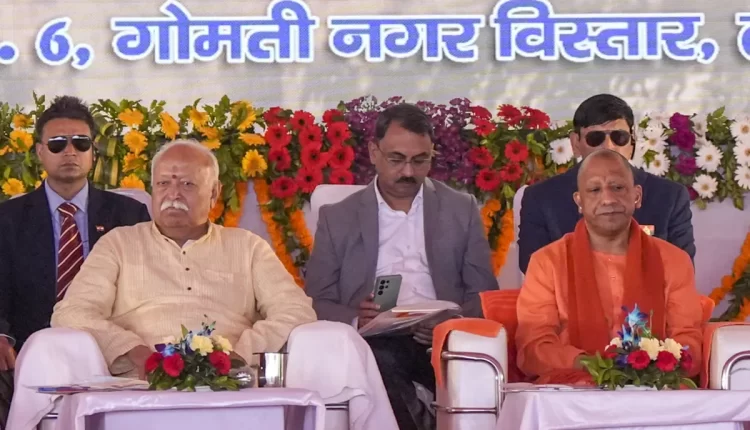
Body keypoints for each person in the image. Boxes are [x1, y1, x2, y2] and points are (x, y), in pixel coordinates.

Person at [51, 139, 316, 378]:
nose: (173, 194)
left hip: (228, 381)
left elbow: (295, 310)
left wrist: (241, 354)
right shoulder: (118, 243)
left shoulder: (248, 246)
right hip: (140, 384)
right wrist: (131, 349)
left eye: (187, 184)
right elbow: (72, 312)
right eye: (163, 183)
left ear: (214, 193)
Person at [305, 103, 498, 430]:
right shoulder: (338, 217)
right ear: (374, 152)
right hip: (375, 341)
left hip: (443, 339)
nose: (408, 172)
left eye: (420, 160)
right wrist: (357, 318)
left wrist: (451, 321)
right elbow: (316, 300)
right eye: (396, 159)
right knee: (378, 361)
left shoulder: (460, 209)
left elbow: (485, 294)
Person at [0, 96, 150, 425]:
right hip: (29, 347)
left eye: (80, 143)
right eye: (57, 144)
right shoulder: (8, 218)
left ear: (93, 151)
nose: (70, 152)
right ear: (39, 152)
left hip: (113, 345)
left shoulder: (129, 214)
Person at [515, 149, 703, 383]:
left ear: (637, 196)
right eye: (595, 190)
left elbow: (688, 341)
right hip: (571, 391)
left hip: (654, 389)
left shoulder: (674, 261)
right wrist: (597, 367)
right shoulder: (546, 263)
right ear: (579, 201)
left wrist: (651, 366)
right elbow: (534, 347)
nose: (608, 199)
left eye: (617, 187)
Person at [518, 94, 694, 274]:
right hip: (570, 291)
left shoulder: (669, 196)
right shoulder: (541, 197)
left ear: (632, 141)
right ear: (575, 143)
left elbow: (681, 267)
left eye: (619, 137)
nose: (609, 146)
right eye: (595, 138)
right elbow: (533, 266)